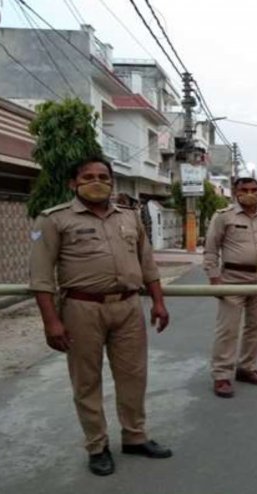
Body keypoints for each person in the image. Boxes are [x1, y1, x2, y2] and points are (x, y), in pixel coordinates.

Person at [28, 156, 172, 477]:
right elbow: (41, 277)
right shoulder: (54, 219)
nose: (97, 182)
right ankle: (97, 446)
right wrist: (51, 322)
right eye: (88, 177)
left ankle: (135, 437)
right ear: (73, 183)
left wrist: (158, 302)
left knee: (134, 376)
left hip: (129, 306)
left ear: (112, 181)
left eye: (104, 177)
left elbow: (147, 264)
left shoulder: (129, 216)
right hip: (82, 309)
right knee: (87, 380)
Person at [204, 177, 257, 398]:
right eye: (244, 189)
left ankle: (246, 367)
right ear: (236, 192)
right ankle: (221, 375)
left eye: (254, 189)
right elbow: (211, 249)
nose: (249, 193)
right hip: (232, 280)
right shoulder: (223, 216)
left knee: (256, 328)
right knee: (227, 330)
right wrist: (214, 279)